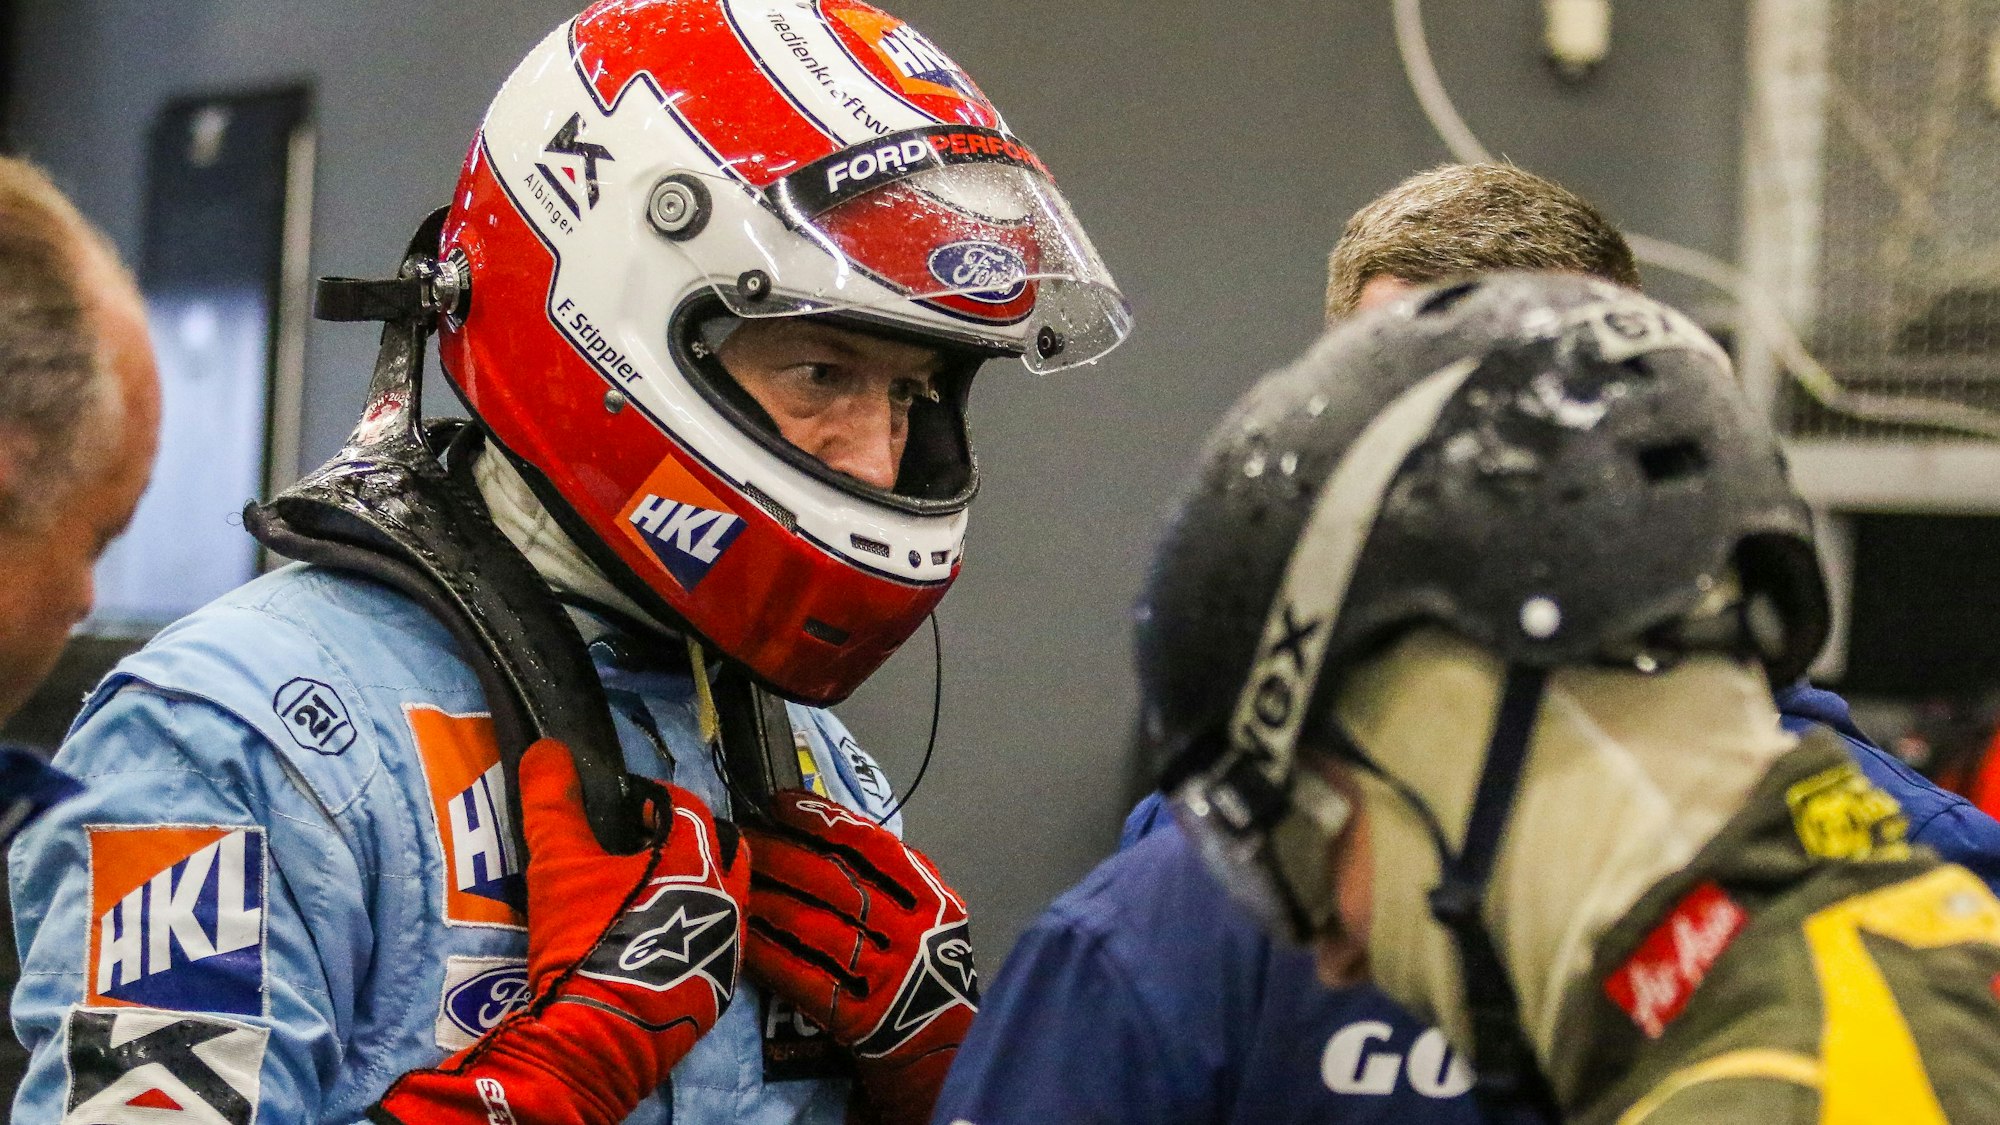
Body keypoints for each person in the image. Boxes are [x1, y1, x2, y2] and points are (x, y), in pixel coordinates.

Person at [6, 2, 1128, 1123]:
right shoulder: (229, 738)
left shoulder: (813, 767)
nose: (878, 458)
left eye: (909, 392)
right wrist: (542, 1089)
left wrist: (944, 1089)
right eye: (823, 374)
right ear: (609, 328)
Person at [934, 164, 2000, 1125]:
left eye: (1514, 417)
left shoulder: (1931, 871)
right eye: (1389, 411)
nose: (1457, 484)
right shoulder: (1178, 909)